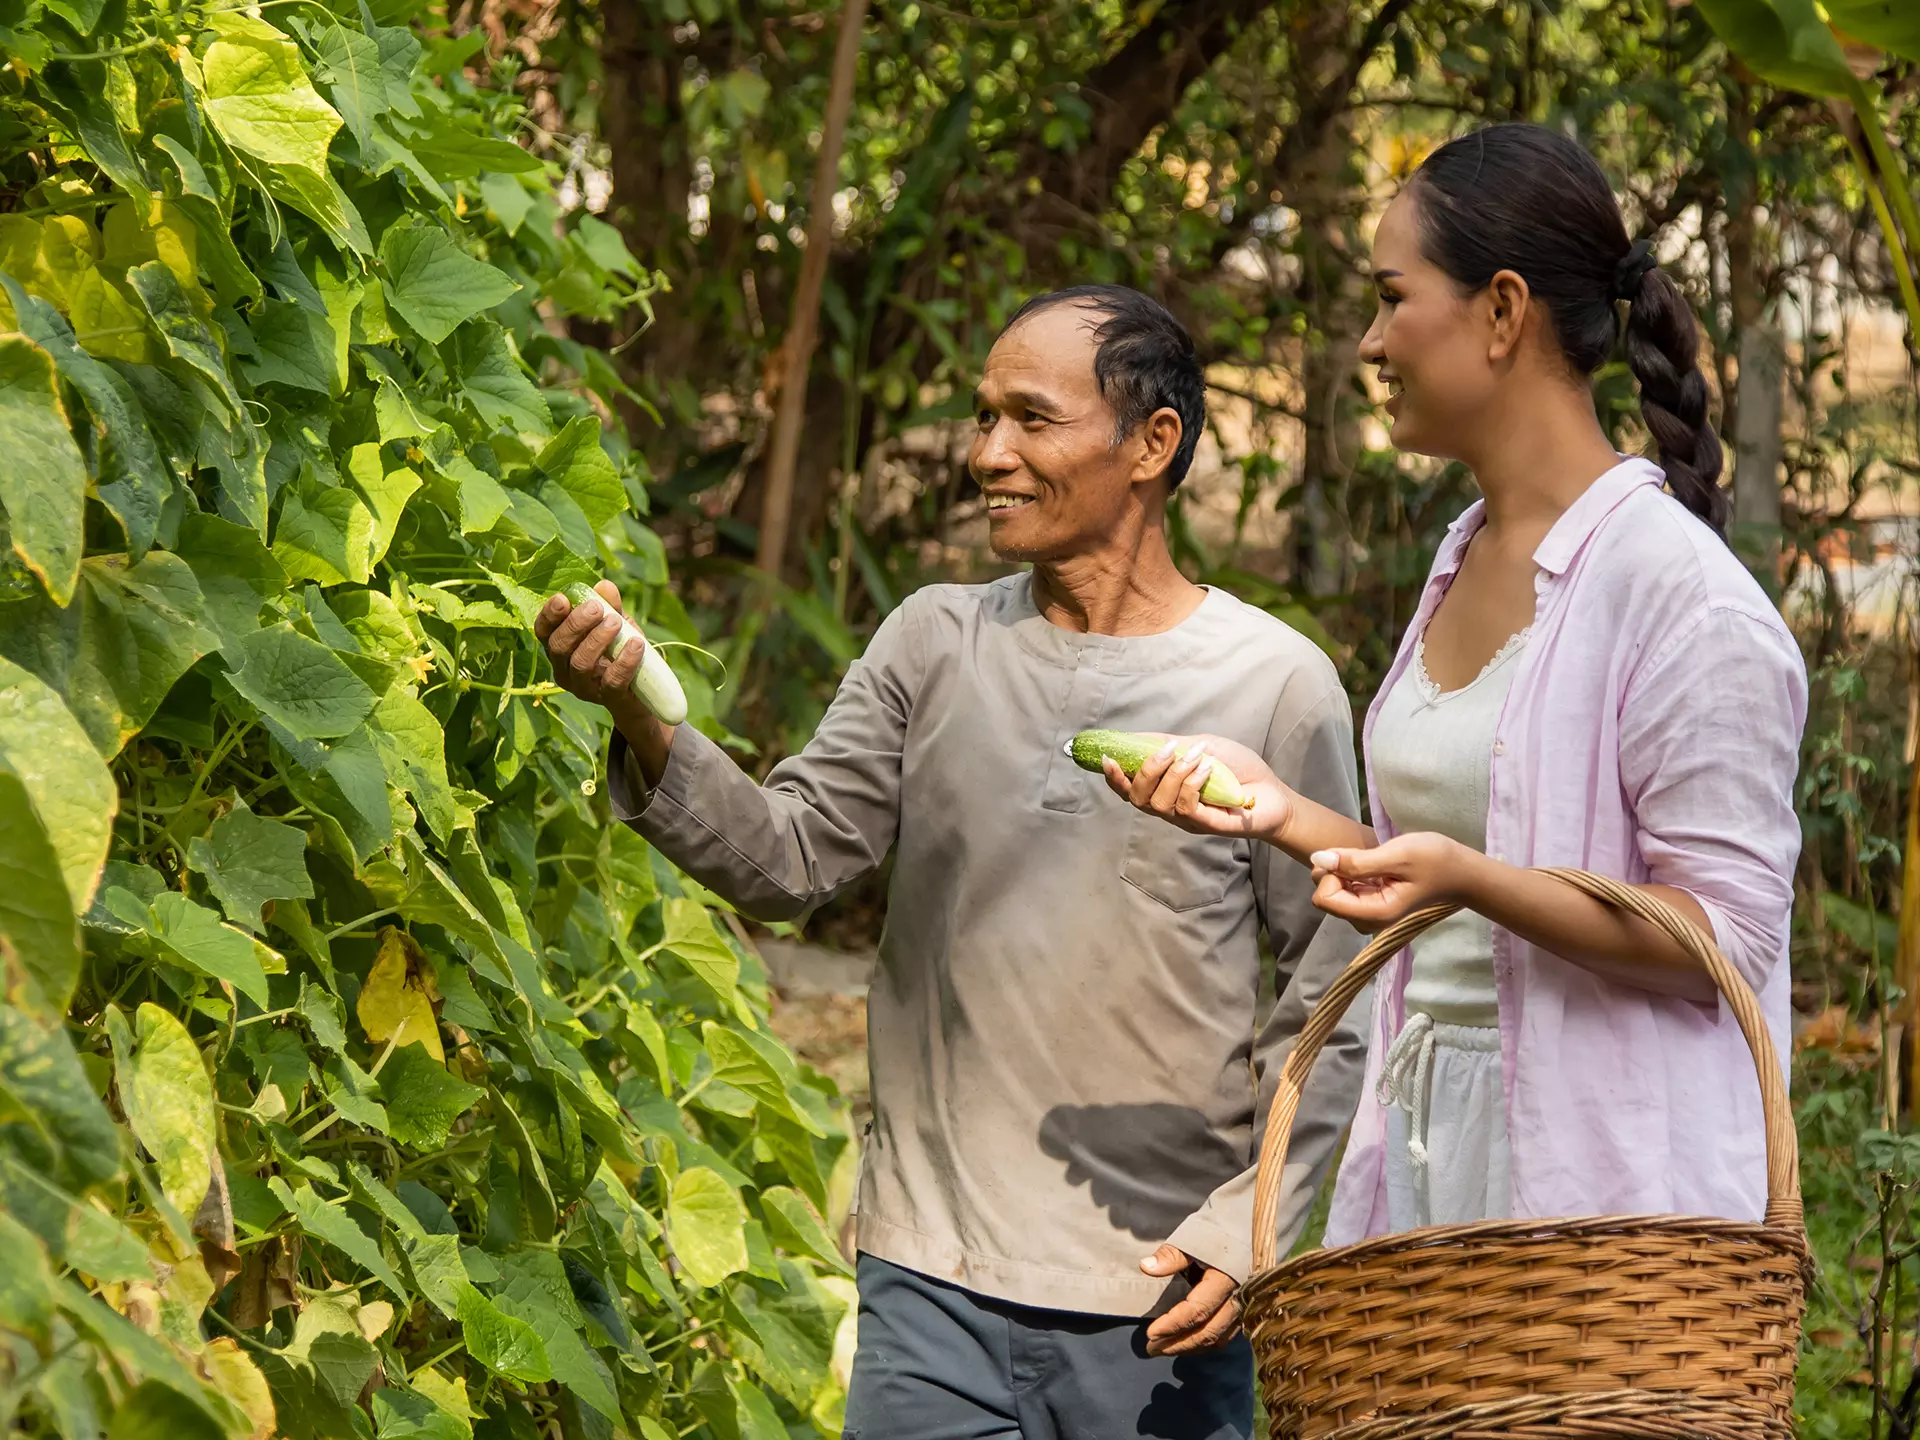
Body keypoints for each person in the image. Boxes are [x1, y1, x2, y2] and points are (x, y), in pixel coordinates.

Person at [536, 286, 1369, 1438]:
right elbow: (788, 857)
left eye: (1031, 419)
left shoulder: (1275, 685)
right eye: (983, 419)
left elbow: (1337, 988)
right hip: (930, 1280)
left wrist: (1251, 1222)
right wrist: (638, 714)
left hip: (1158, 1293)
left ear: (1153, 444)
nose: (989, 454)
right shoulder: (934, 641)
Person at [1111, 123, 1806, 1240]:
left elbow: (1721, 943)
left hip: (1609, 1203)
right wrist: (1281, 812)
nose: (1370, 343)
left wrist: (1469, 880)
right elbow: (1453, 865)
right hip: (1433, 1155)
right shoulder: (1465, 550)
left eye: (1393, 298)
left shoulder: (1683, 595)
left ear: (1501, 311)